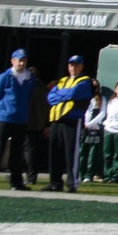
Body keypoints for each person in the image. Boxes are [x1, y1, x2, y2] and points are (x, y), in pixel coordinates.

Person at [0, 49, 43, 190]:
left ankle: (16, 182)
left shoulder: (29, 78)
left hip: (20, 120)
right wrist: (0, 113)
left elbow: (28, 97)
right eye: (19, 60)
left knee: (17, 153)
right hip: (5, 118)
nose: (22, 63)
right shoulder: (5, 77)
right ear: (13, 61)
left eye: (24, 60)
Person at [44, 53, 95, 193]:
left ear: (82, 66)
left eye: (77, 65)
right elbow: (50, 98)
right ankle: (55, 182)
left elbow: (74, 94)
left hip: (72, 119)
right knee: (55, 152)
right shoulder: (62, 81)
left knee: (71, 152)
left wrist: (61, 94)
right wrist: (64, 95)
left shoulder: (85, 81)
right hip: (57, 119)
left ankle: (72, 183)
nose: (74, 67)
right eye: (71, 65)